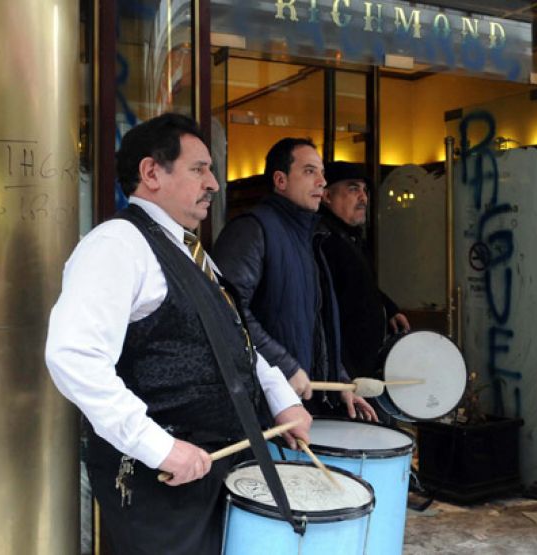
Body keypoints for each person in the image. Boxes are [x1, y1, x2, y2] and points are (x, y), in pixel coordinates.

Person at [44, 113, 312, 554]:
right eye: (199, 169)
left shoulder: (190, 252)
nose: (214, 183)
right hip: (162, 485)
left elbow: (235, 342)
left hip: (212, 476)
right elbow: (73, 355)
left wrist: (282, 400)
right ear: (152, 173)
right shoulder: (117, 244)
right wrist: (159, 447)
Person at [213, 139, 376, 421]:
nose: (322, 181)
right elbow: (225, 311)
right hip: (262, 408)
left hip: (300, 406)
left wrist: (340, 381)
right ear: (280, 179)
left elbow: (316, 327)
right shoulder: (252, 230)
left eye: (322, 173)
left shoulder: (308, 238)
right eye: (310, 171)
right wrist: (285, 366)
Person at [315, 161, 410, 381]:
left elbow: (363, 287)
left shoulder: (351, 238)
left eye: (365, 191)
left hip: (363, 366)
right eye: (353, 189)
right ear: (327, 196)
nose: (364, 198)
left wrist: (388, 308)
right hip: (345, 370)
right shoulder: (324, 240)